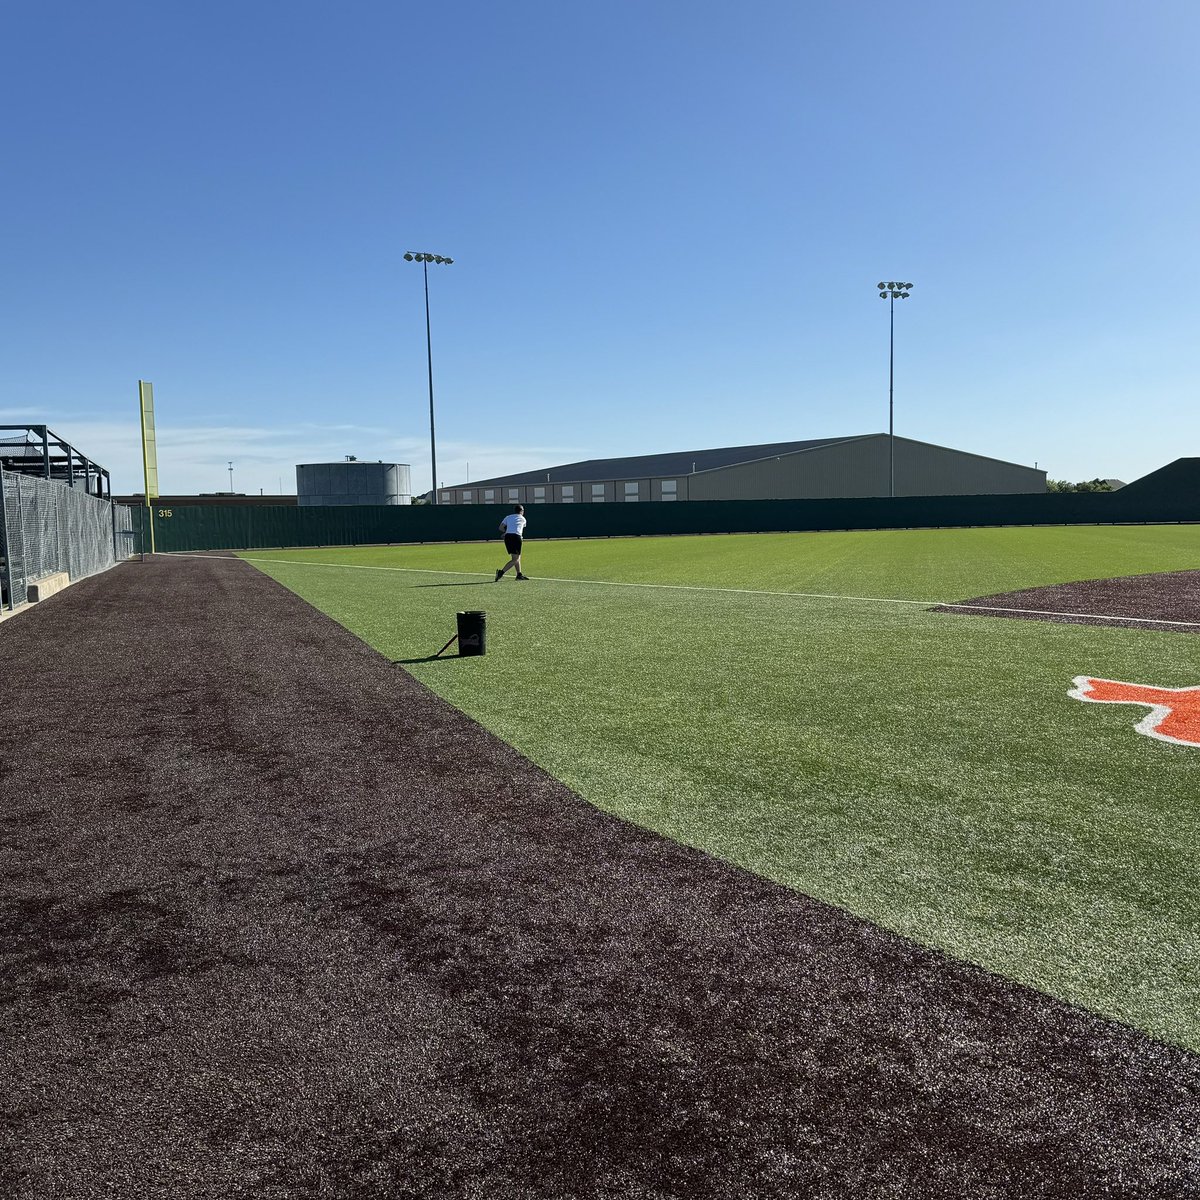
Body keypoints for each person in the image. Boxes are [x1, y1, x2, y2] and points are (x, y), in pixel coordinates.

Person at [495, 504, 529, 580]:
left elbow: (501, 528)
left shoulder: (508, 517)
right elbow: (519, 528)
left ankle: (519, 575)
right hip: (516, 537)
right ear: (521, 511)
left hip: (507, 537)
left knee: (517, 556)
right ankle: (501, 572)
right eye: (523, 510)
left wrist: (506, 532)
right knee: (515, 559)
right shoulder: (523, 519)